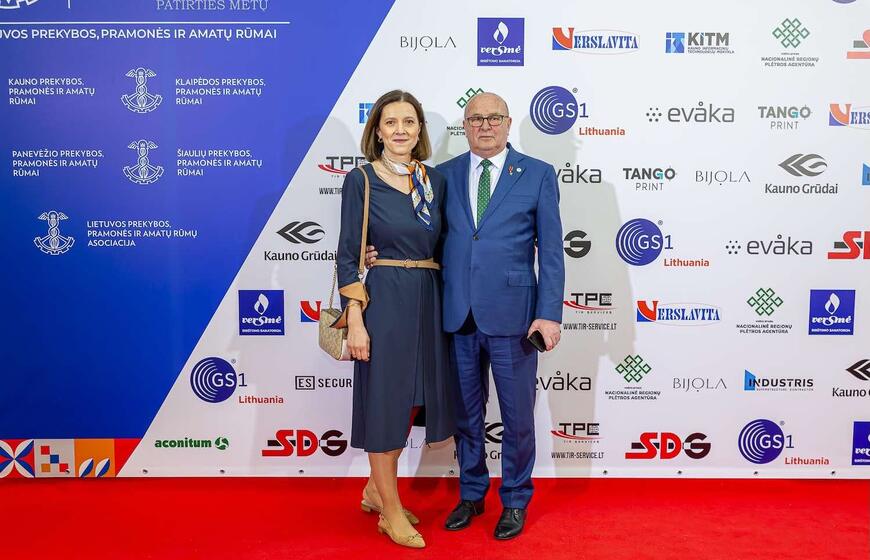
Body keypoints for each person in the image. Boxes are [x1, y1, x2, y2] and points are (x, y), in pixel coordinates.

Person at [368, 92, 565, 540]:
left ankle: (514, 499)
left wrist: (549, 314)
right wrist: (376, 252)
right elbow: (422, 236)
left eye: (494, 117)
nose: (485, 125)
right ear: (465, 125)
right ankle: (472, 493)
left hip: (516, 319)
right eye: (476, 118)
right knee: (466, 417)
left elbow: (552, 252)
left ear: (508, 123)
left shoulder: (537, 174)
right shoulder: (441, 176)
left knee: (517, 418)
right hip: (456, 316)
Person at [334, 90, 455, 549]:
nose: (400, 130)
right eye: (391, 122)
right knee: (386, 402)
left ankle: (373, 490)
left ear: (420, 129)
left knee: (412, 401)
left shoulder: (434, 181)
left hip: (429, 297)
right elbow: (348, 254)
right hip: (384, 301)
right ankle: (390, 510)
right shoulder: (361, 180)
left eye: (409, 121)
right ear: (378, 131)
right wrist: (356, 318)